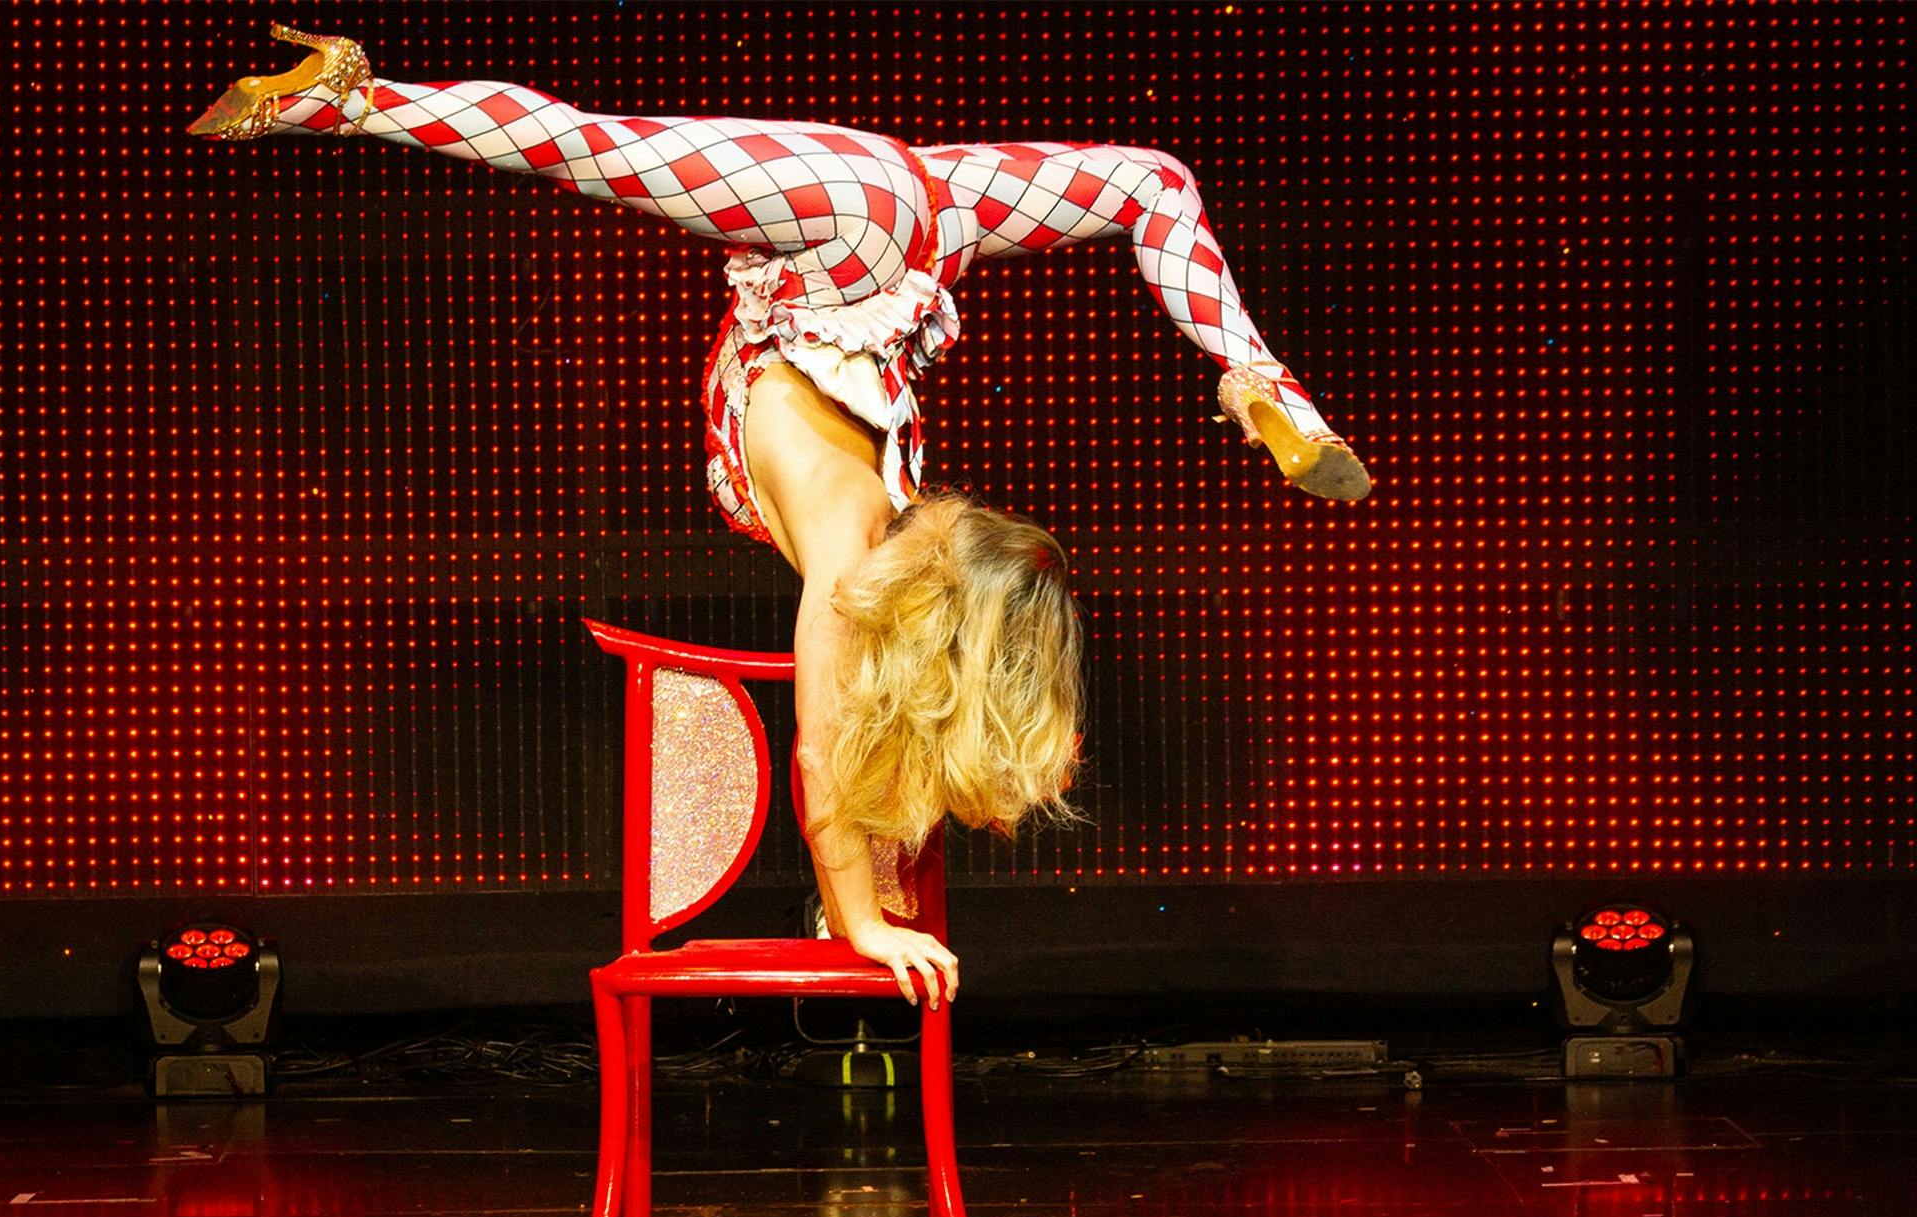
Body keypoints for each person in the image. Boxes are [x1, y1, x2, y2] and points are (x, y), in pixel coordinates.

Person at [191, 23, 1374, 1011]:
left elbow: (924, 680)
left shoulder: (904, 510)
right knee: (580, 147)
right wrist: (860, 921)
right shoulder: (849, 570)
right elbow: (819, 754)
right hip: (847, 222)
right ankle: (355, 95)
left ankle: (1261, 383)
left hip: (919, 222)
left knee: (1150, 183)